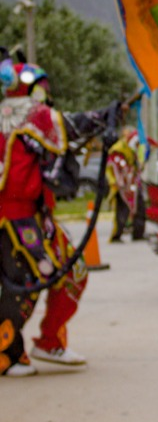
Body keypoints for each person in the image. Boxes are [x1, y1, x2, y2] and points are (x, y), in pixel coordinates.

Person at [0, 57, 125, 376]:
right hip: (14, 220)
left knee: (68, 271)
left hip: (32, 217)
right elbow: (71, 125)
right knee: (25, 284)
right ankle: (8, 353)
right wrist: (105, 114)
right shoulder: (28, 112)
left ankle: (48, 341)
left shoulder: (14, 111)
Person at [106, 127, 147, 242]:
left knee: (140, 208)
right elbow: (114, 167)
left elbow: (137, 164)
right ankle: (116, 235)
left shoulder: (133, 148)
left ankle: (138, 233)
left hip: (133, 184)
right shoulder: (118, 149)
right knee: (121, 210)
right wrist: (119, 182)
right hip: (121, 185)